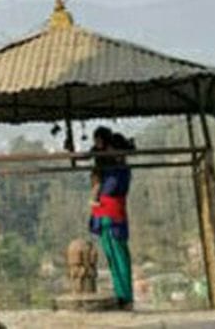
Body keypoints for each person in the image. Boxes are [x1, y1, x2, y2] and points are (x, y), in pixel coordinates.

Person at [89, 130, 135, 310]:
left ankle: (126, 296)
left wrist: (97, 188)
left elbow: (110, 189)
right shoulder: (105, 170)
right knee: (111, 258)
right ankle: (120, 295)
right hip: (103, 215)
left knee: (120, 257)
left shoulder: (120, 171)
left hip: (114, 215)